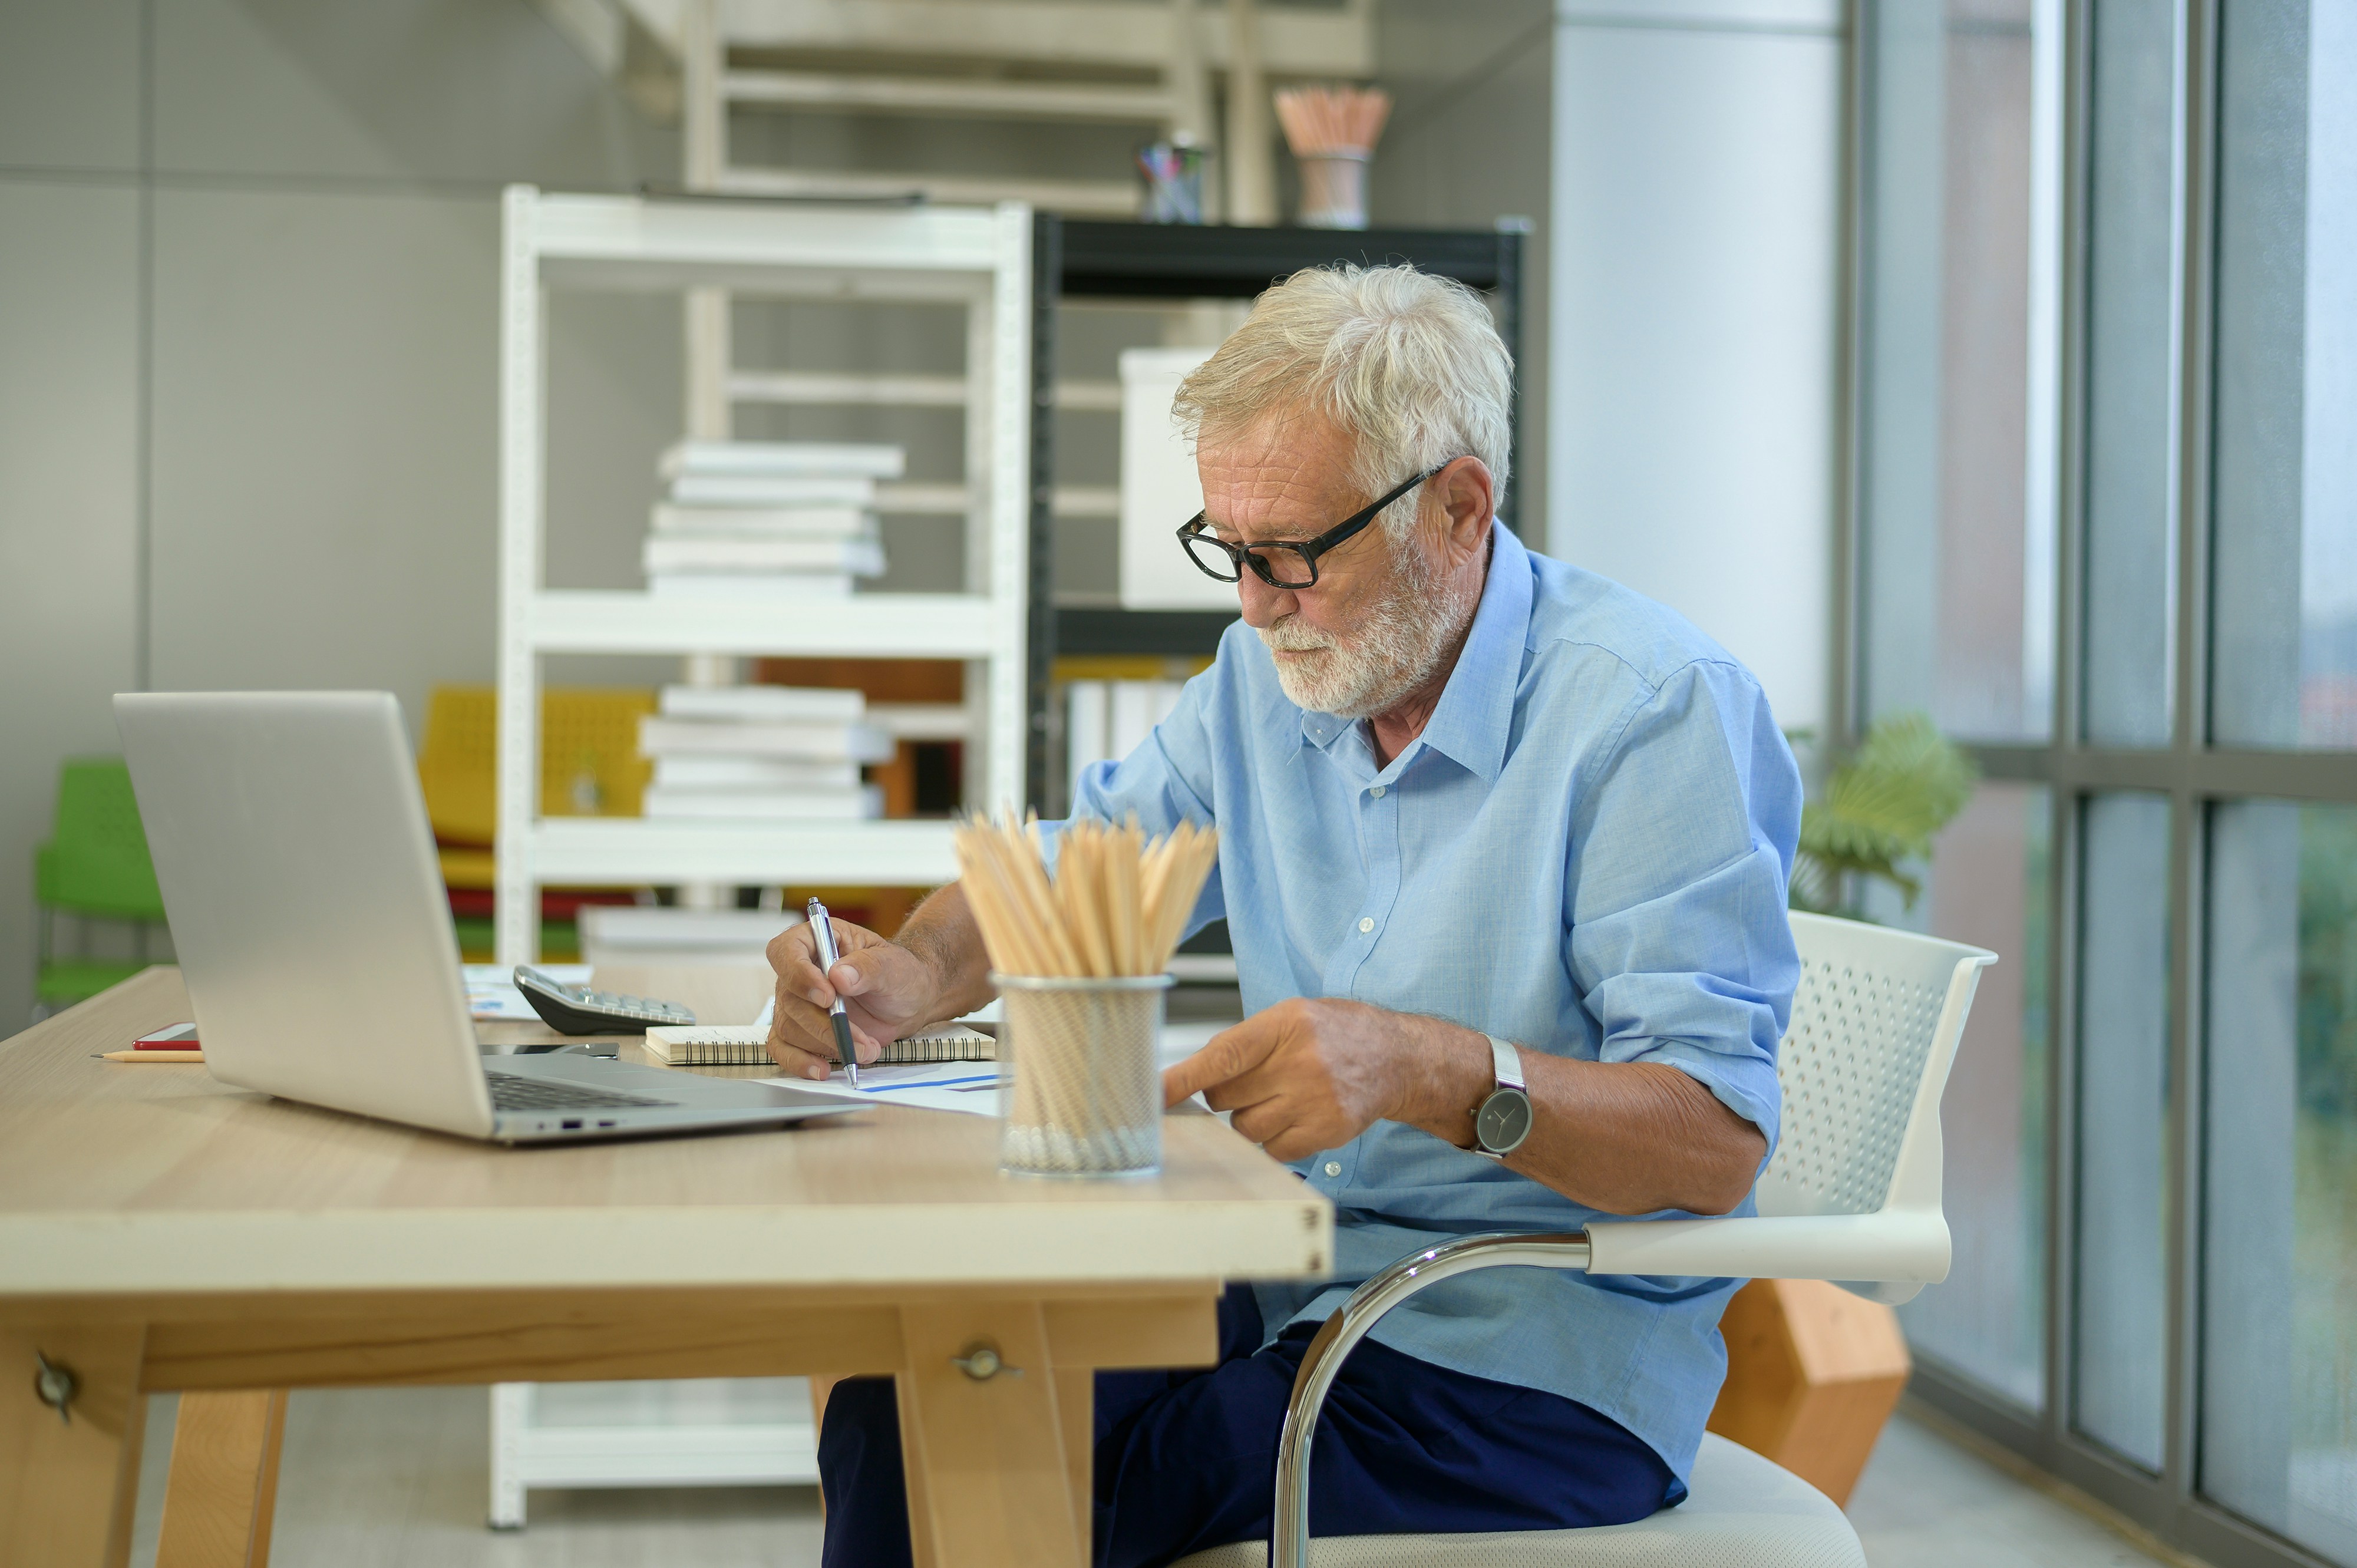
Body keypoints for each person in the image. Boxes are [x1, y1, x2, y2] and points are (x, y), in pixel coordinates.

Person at [765, 263, 1803, 1568]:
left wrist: (1423, 1070)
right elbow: (1082, 867)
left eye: (1291, 554)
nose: (1254, 602)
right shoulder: (1265, 681)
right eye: (1229, 551)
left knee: (1036, 1473)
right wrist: (911, 970)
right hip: (1281, 1276)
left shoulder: (1650, 713)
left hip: (1516, 1346)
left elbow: (1710, 1142)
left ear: (1458, 508)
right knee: (911, 1402)